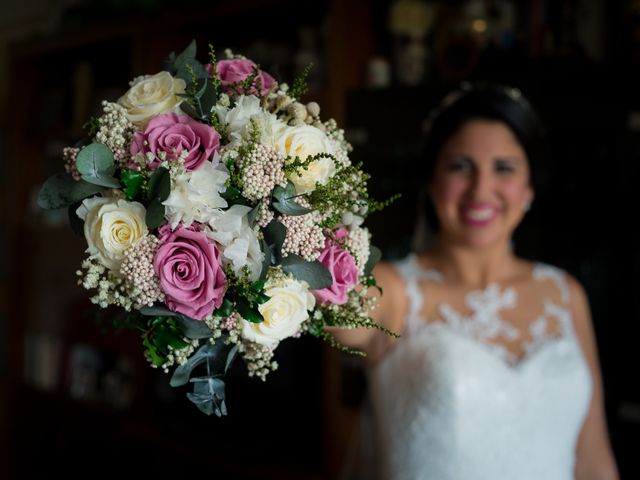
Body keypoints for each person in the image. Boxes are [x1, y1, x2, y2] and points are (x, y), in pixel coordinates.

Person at [331, 84, 619, 480]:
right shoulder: (394, 292)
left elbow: (594, 460)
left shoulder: (566, 294)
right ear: (431, 182)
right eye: (460, 166)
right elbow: (331, 303)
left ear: (530, 185)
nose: (481, 189)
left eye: (504, 168)